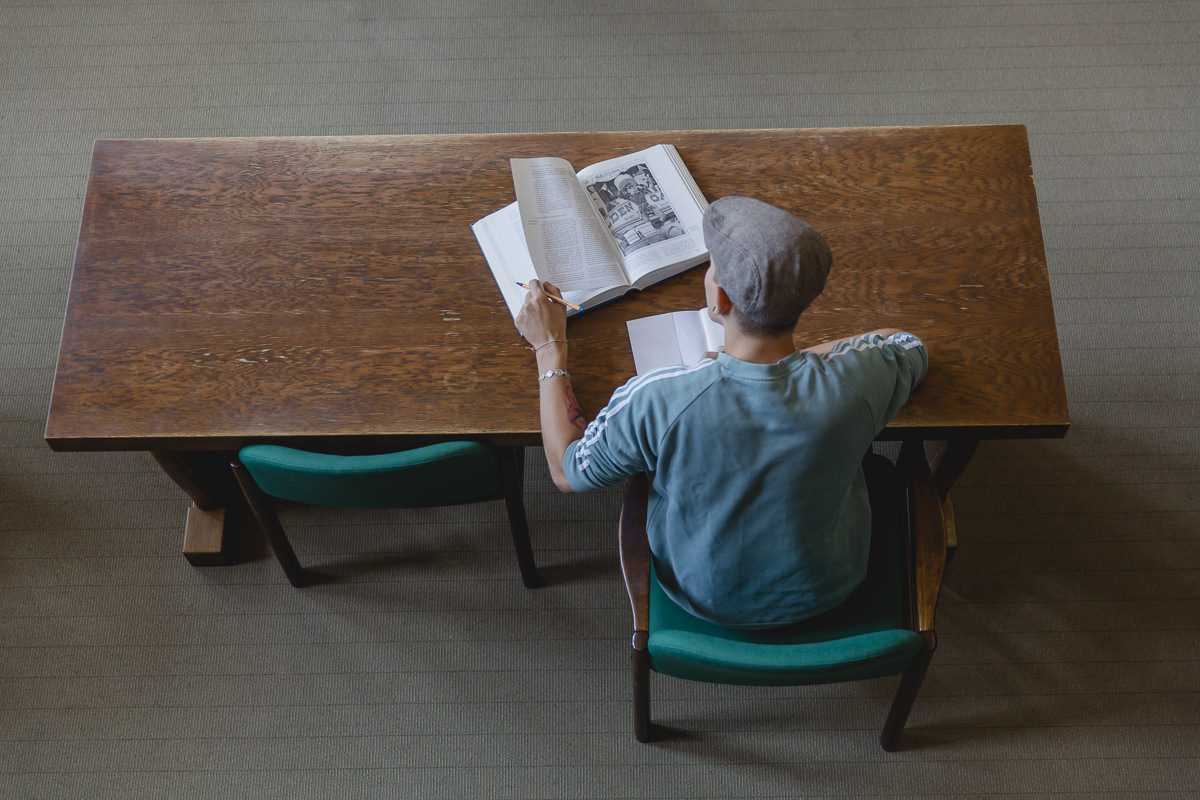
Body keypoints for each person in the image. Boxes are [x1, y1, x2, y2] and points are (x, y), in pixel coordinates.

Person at [515, 196, 928, 629]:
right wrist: (806, 363)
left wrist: (548, 346)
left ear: (721, 297)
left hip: (701, 591)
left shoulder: (656, 399)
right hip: (831, 583)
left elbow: (567, 471)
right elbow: (906, 343)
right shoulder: (857, 378)